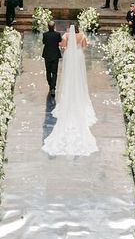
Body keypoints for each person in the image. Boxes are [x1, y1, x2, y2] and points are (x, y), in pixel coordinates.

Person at [42, 25, 97, 156]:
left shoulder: (66, 35)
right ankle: (78, 90)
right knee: (79, 75)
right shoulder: (82, 35)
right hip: (78, 55)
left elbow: (63, 45)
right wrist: (78, 44)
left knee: (68, 74)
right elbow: (84, 45)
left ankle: (67, 88)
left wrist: (66, 45)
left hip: (69, 55)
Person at [42, 21, 62, 96]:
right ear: (54, 27)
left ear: (48, 26)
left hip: (47, 55)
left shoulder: (45, 34)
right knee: (54, 72)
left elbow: (44, 42)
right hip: (55, 55)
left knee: (48, 71)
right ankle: (53, 87)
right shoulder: (57, 34)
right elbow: (60, 40)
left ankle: (51, 85)